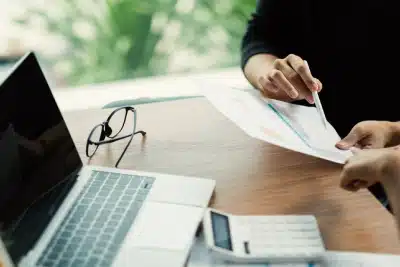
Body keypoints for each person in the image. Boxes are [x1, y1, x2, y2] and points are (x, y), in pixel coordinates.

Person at [241, 0, 399, 209]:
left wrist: (392, 131)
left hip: (387, 166)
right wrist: (270, 75)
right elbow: (260, 36)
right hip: (306, 153)